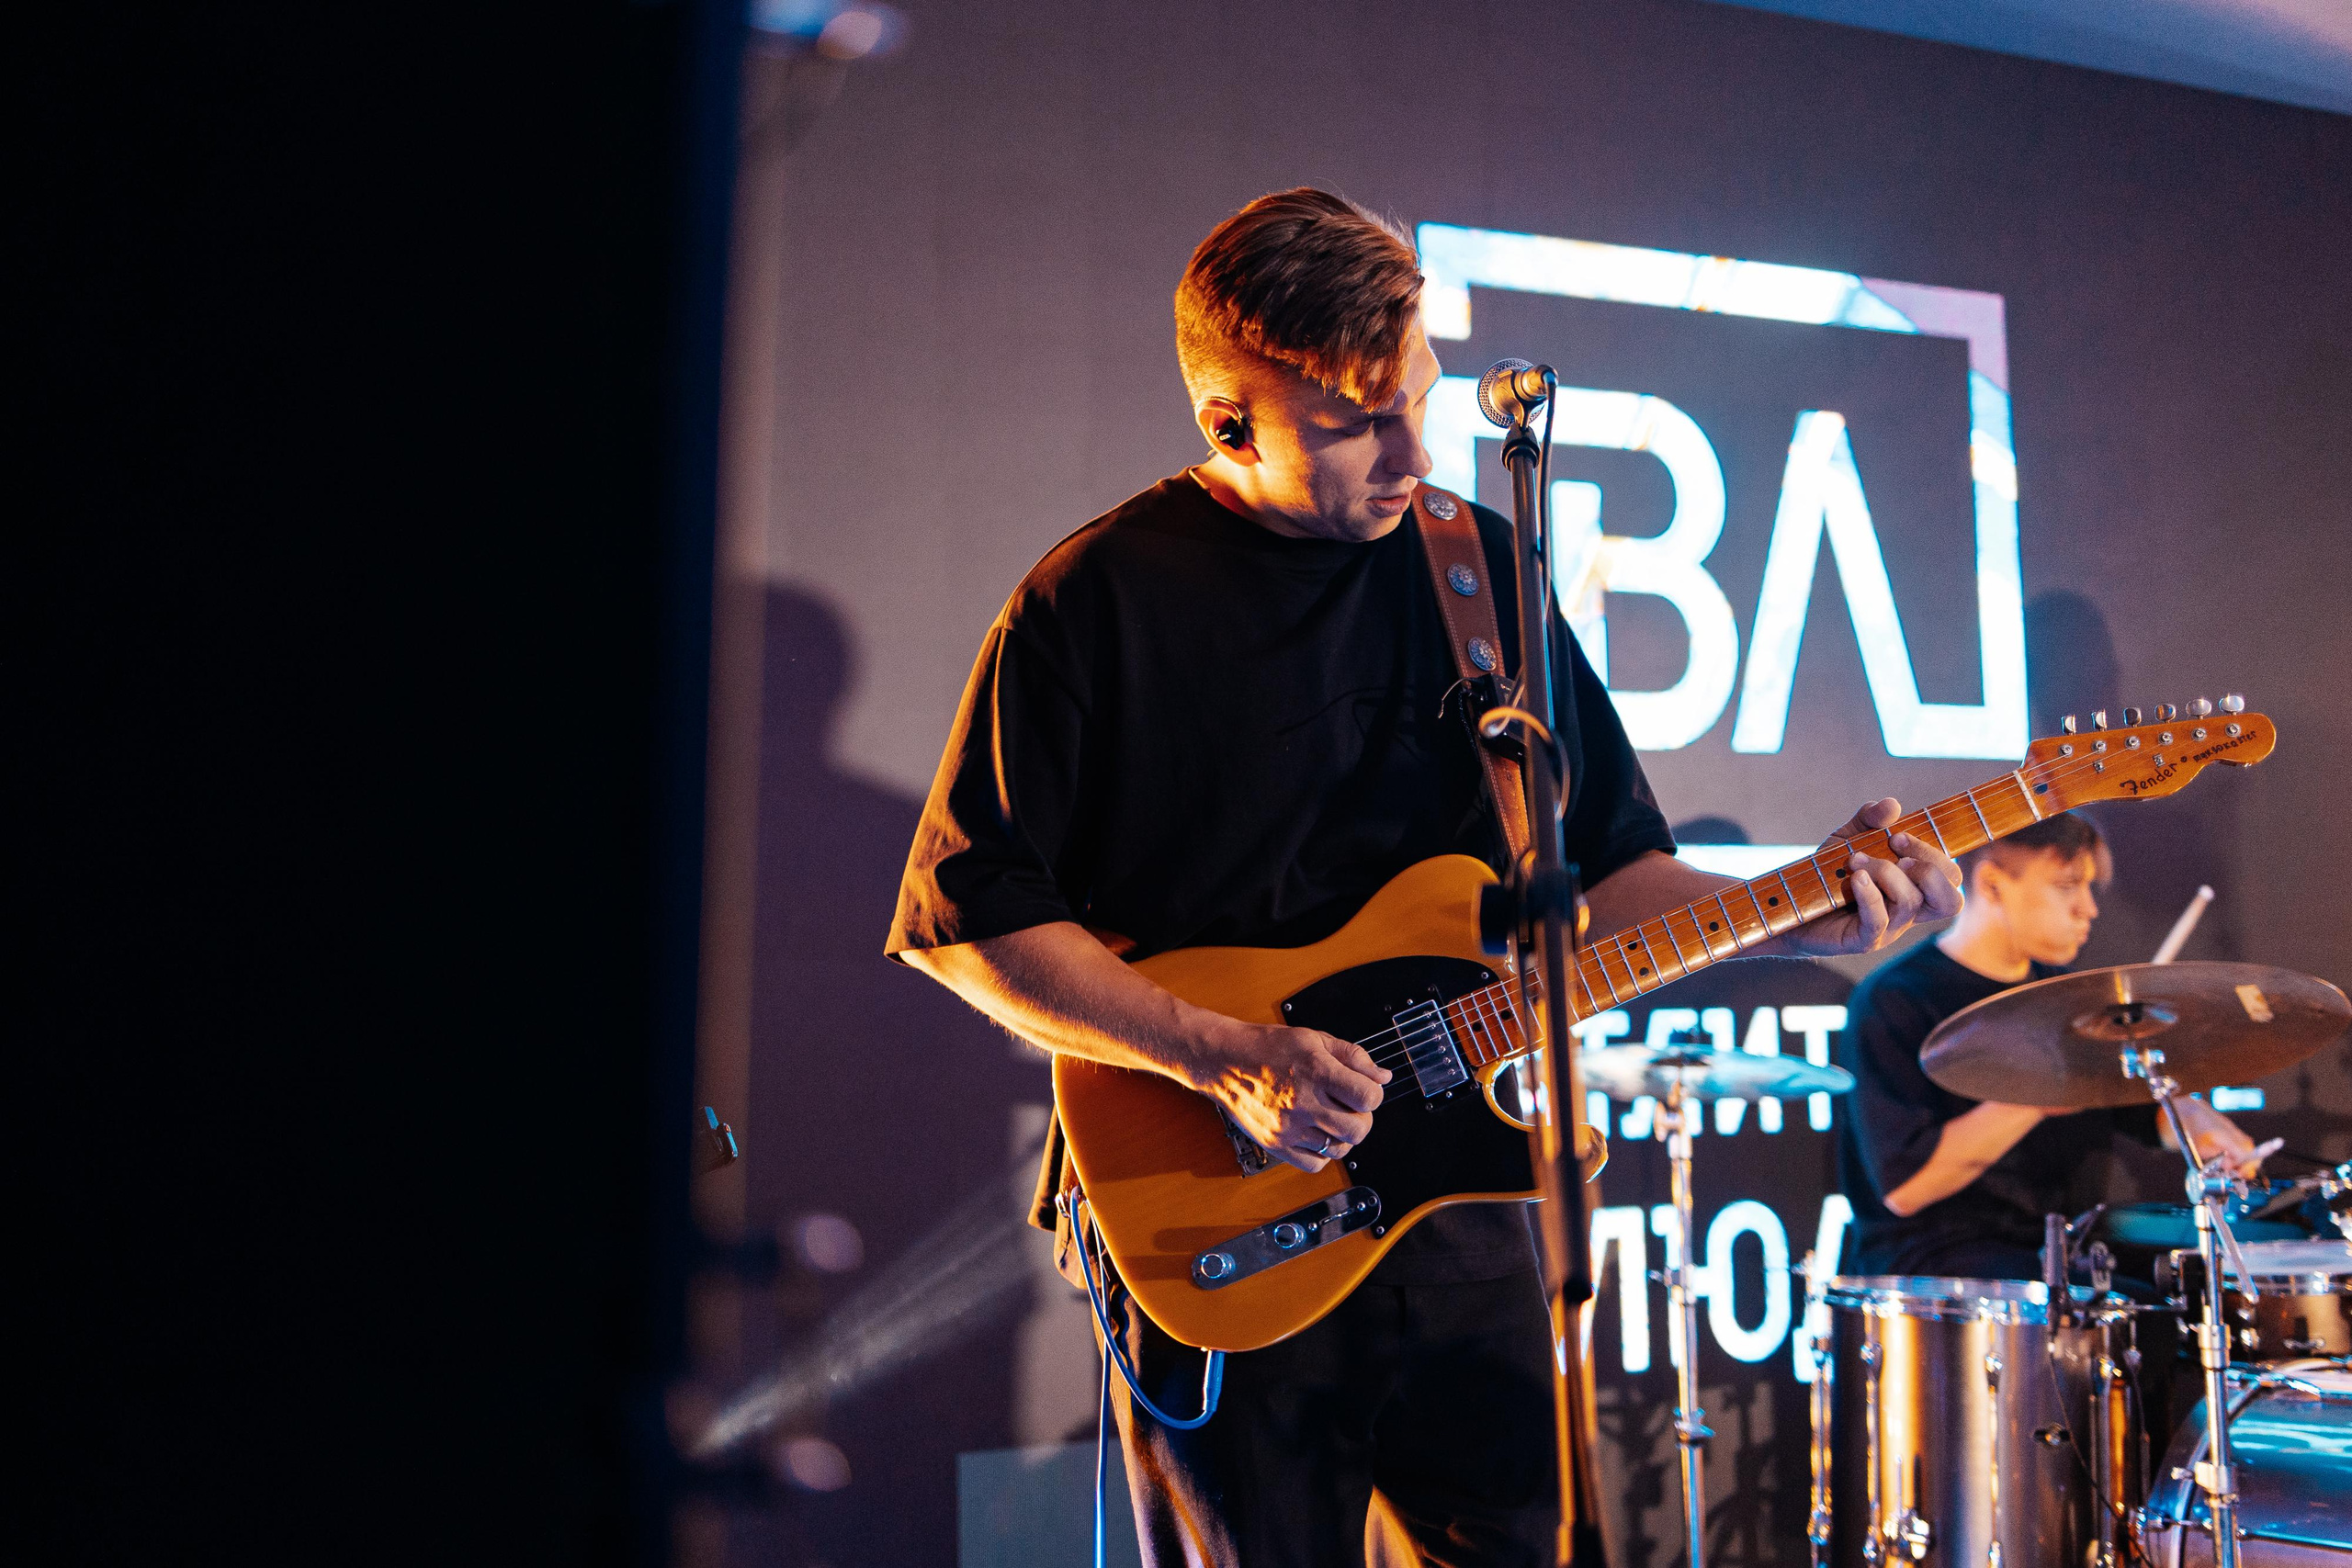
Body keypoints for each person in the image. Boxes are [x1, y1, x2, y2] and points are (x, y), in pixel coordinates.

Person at [888, 187, 1962, 1567]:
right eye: (1357, 423)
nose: (1413, 452)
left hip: (1457, 1190)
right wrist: (1222, 1057)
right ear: (1230, 423)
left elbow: (1604, 874)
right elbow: (965, 921)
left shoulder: (1477, 566)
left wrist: (1804, 909)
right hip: (1219, 1201)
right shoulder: (1093, 597)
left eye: (1422, 397)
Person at [1837, 811, 2259, 1280]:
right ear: (1993, 884)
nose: (2088, 909)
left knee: (2192, 1284)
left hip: (2067, 1248)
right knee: (2112, 1299)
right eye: (2067, 886)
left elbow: (2149, 1106)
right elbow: (1906, 1188)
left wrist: (2202, 1128)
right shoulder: (1897, 1000)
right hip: (1937, 1267)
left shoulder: (2073, 998)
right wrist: (2046, 1088)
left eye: (2088, 887)